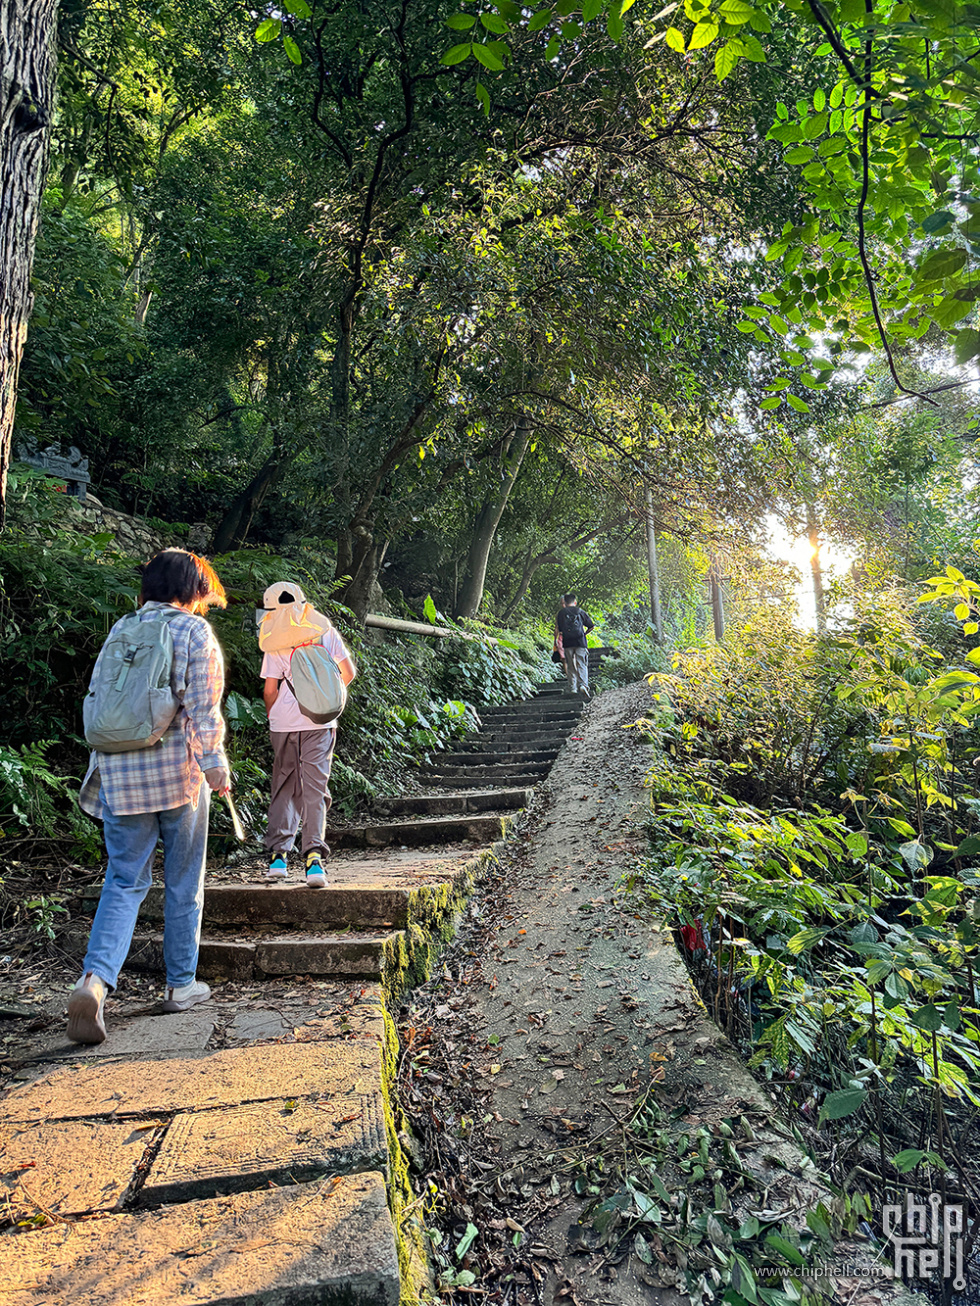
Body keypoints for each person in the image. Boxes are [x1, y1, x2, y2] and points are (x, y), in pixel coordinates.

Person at [68, 549, 231, 1045]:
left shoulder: (122, 628)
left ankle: (93, 981)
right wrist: (217, 770)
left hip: (119, 773)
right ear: (193, 589)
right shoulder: (194, 632)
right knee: (184, 881)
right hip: (177, 776)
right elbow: (203, 712)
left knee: (123, 880)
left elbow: (101, 701)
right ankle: (180, 985)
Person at [258, 582, 357, 887]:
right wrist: (324, 699)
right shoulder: (323, 631)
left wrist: (275, 715)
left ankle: (279, 858)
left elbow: (270, 690)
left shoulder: (274, 640)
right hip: (321, 723)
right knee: (315, 789)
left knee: (285, 787)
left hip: (284, 725)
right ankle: (314, 859)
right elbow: (348, 673)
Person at [555, 592, 595, 699]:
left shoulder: (561, 613)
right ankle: (583, 685)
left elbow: (559, 628)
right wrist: (584, 634)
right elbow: (591, 626)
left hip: (567, 642)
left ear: (565, 602)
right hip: (580, 642)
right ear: (575, 602)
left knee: (571, 664)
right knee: (581, 663)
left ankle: (572, 687)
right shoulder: (580, 611)